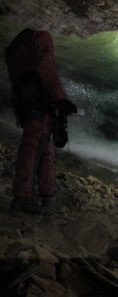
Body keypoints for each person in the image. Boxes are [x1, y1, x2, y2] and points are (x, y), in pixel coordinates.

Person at [5, 28, 77, 214]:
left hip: (21, 96)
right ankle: (23, 197)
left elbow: (16, 72)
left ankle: (47, 196)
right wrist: (60, 98)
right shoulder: (41, 34)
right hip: (37, 94)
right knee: (35, 144)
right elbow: (47, 66)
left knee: (43, 145)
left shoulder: (16, 42)